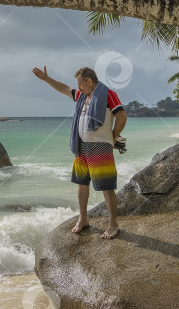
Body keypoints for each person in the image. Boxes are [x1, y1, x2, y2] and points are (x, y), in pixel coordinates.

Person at [32, 65, 127, 239]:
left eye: (81, 84)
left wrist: (113, 138)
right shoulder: (82, 96)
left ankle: (113, 224)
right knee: (81, 183)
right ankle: (83, 218)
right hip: (81, 146)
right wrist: (47, 79)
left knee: (107, 187)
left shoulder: (108, 94)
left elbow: (121, 116)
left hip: (100, 146)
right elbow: (66, 89)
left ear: (89, 81)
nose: (79, 88)